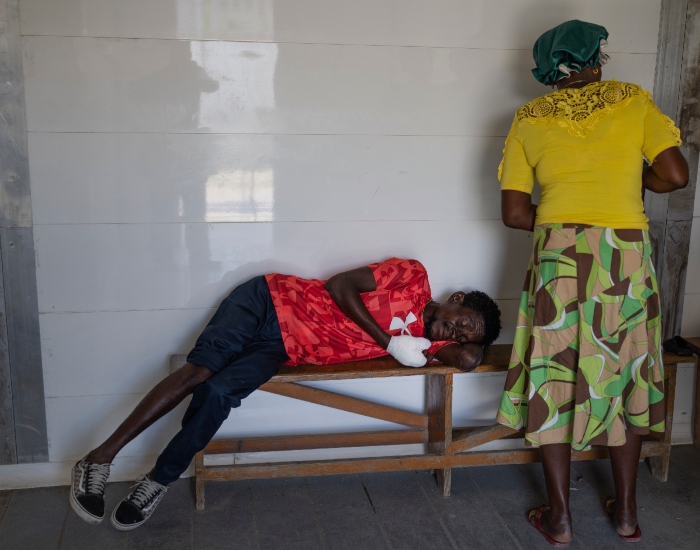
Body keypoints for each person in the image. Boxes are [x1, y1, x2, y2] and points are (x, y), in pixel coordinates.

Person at [70, 257, 501, 530]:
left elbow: (468, 361)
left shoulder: (432, 348)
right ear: (455, 298)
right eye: (461, 320)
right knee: (197, 373)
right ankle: (98, 460)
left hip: (281, 350)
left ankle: (156, 481)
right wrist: (387, 342)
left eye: (466, 335)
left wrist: (464, 344)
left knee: (219, 392)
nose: (457, 333)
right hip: (268, 300)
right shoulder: (414, 276)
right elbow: (339, 285)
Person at [495, 20, 688, 547]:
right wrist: (631, 185)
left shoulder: (527, 118)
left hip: (557, 252)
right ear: (596, 60)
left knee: (554, 373)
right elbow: (674, 176)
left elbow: (514, 214)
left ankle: (559, 519)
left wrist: (567, 221)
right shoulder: (632, 101)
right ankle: (625, 514)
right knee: (626, 368)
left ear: (548, 71)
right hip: (622, 253)